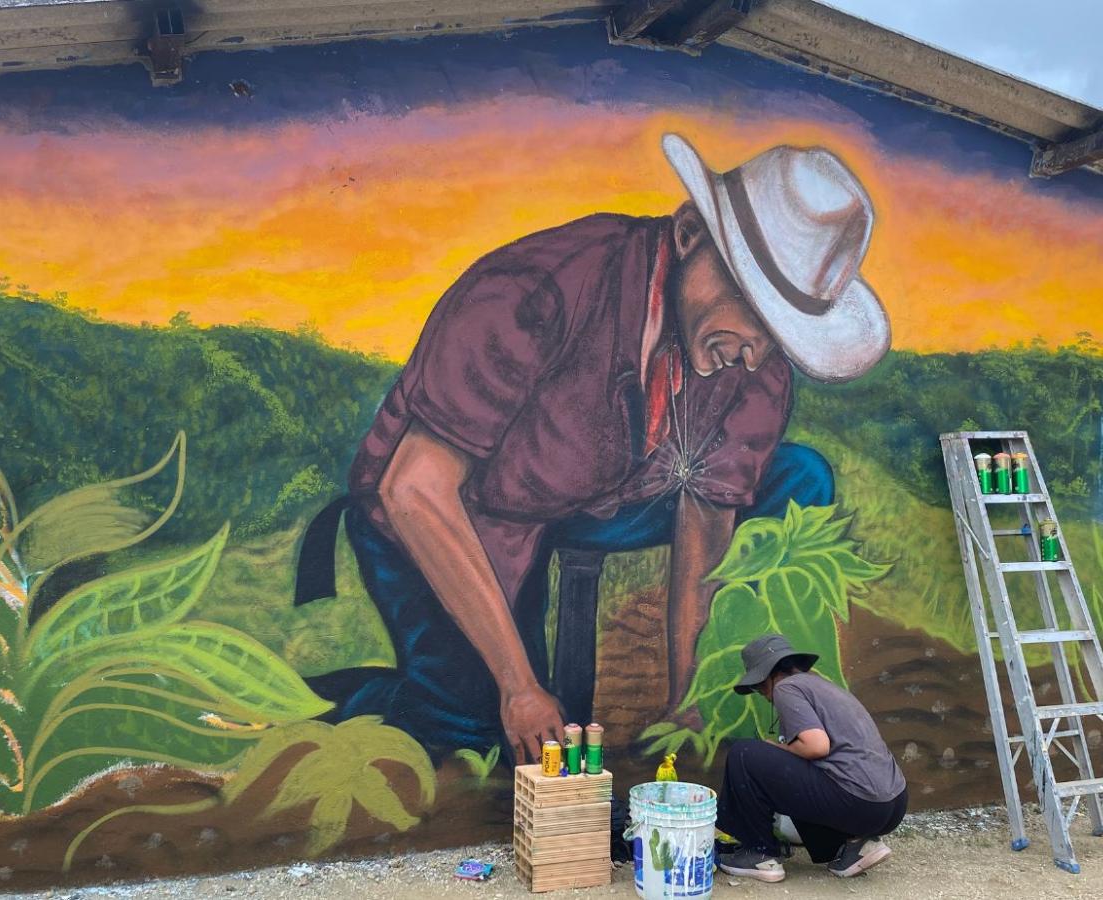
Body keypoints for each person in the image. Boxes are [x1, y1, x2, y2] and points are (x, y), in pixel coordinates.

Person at [294, 134, 891, 763]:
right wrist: (519, 687)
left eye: (779, 334)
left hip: (604, 493)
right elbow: (413, 489)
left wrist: (686, 696)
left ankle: (748, 678)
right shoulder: (537, 288)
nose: (754, 351)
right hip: (461, 514)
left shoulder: (754, 360)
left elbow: (708, 518)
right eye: (751, 309)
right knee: (472, 730)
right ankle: (333, 703)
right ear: (689, 234)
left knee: (799, 478)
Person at [715, 634, 908, 883]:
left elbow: (817, 746)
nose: (761, 693)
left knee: (744, 754)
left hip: (860, 802)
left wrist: (778, 748)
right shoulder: (825, 687)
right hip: (893, 804)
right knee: (807, 770)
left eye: (757, 685)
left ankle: (760, 854)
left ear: (768, 674)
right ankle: (854, 846)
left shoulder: (786, 687)